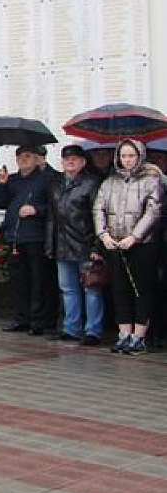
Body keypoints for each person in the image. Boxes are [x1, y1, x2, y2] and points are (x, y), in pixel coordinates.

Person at [94, 139, 162, 355]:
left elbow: (153, 211)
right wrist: (103, 235)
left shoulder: (152, 180)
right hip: (114, 244)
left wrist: (135, 237)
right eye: (123, 156)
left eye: (131, 155)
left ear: (139, 156)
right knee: (119, 289)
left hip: (143, 245)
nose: (127, 160)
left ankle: (139, 337)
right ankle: (124, 334)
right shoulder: (110, 182)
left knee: (141, 290)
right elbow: (99, 209)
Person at [46, 144, 104, 345]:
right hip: (62, 244)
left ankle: (93, 331)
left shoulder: (92, 183)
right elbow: (51, 217)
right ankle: (71, 328)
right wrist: (50, 244)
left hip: (85, 244)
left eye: (75, 159)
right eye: (66, 159)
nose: (70, 162)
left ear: (83, 162)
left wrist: (97, 246)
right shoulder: (55, 184)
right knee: (68, 289)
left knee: (91, 287)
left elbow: (99, 216)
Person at [0, 146, 52, 335]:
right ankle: (21, 318)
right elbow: (0, 203)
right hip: (15, 237)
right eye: (20, 156)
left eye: (28, 156)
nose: (23, 159)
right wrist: (2, 185)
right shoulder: (12, 179)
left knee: (38, 280)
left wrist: (36, 210)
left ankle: (38, 320)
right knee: (19, 281)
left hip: (35, 236)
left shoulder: (45, 179)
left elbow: (53, 206)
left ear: (36, 159)